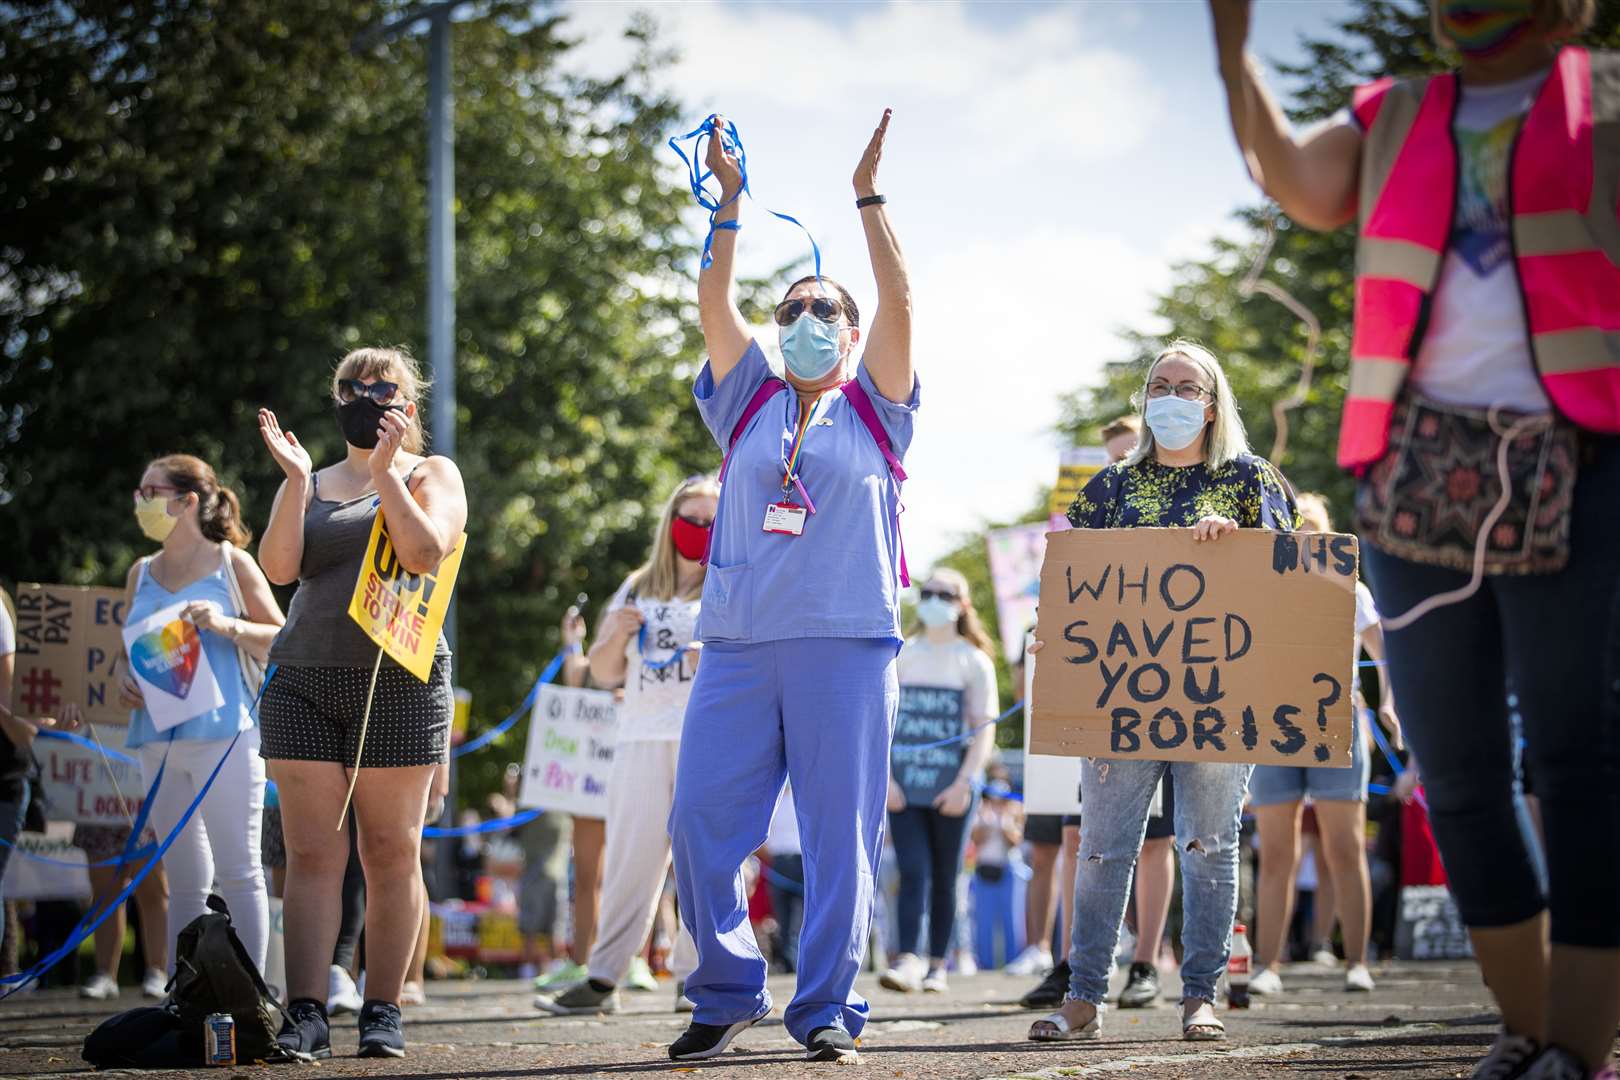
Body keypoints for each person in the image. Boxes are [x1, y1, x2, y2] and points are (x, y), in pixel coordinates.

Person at [1211, 2, 1619, 1075]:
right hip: (1410, 481)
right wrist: (1231, 49)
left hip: (1584, 465)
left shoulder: (1611, 100)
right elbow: (1299, 182)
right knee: (1458, 768)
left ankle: (1580, 1042)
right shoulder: (1393, 114)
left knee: (1581, 760)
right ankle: (1528, 1026)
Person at [667, 107, 916, 1066]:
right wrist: (728, 205)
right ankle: (727, 988)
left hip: (848, 649)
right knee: (698, 820)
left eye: (825, 312)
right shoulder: (750, 402)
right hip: (737, 645)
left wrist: (868, 198)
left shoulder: (878, 408)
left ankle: (822, 1011)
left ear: (852, 336)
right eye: (793, 312)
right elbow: (712, 303)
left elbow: (901, 296)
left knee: (839, 842)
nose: (806, 322)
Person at [1027, 340, 1299, 1044]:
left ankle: (1199, 996)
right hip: (1119, 697)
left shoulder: (1250, 479)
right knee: (1102, 848)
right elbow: (1067, 581)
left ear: (1211, 405)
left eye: (1186, 386)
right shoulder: (1110, 486)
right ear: (1145, 399)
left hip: (1217, 695)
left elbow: (1290, 578)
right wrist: (1050, 637)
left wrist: (1234, 541)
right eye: (1159, 384)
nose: (1170, 396)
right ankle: (1084, 995)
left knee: (1209, 846)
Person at [257, 346, 467, 1060]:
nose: (367, 396)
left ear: (410, 403)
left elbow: (423, 552)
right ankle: (306, 1010)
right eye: (352, 386)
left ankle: (381, 1009)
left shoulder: (431, 474)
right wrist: (291, 482)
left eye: (385, 387)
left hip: (399, 680)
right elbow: (280, 570)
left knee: (389, 851)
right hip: (303, 681)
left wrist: (385, 475)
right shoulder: (310, 481)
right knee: (312, 855)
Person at [533, 475, 716, 1017]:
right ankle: (603, 976)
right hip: (638, 735)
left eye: (711, 520)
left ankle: (697, 975)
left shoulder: (733, 581)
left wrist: (716, 659)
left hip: (703, 739)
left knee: (702, 863)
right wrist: (613, 636)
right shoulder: (638, 585)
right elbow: (603, 672)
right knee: (631, 860)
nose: (701, 530)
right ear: (670, 523)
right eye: (691, 519)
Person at [110, 454, 280, 983]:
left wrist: (228, 625)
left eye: (150, 491)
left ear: (186, 501)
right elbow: (125, 651)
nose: (140, 503)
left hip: (225, 735)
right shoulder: (140, 572)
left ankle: (251, 997)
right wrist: (122, 676)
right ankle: (186, 995)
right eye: (139, 493)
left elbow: (281, 636)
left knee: (239, 870)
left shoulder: (232, 563)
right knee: (183, 878)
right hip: (157, 740)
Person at [1248, 493, 1397, 996]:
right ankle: (1269, 964)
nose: (1306, 538)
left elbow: (1385, 651)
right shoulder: (1264, 589)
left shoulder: (1349, 591)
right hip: (1274, 723)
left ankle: (1357, 960)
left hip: (1336, 721)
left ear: (1330, 535)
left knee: (1344, 846)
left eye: (1314, 528)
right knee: (1276, 852)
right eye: (1296, 528)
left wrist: (1388, 705)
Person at [880, 568, 998, 994]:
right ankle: (907, 959)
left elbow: (985, 728)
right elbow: (882, 721)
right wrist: (887, 779)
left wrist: (964, 783)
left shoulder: (974, 660)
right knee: (912, 871)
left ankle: (937, 964)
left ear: (962, 604)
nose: (934, 599)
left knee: (947, 877)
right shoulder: (904, 653)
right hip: (904, 787)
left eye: (945, 594)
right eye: (928, 592)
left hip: (953, 787)